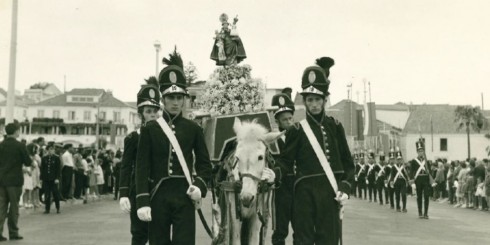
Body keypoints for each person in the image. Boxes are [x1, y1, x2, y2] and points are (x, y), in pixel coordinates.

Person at [135, 49, 212, 245]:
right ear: (163, 100)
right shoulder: (150, 129)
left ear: (184, 99)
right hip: (158, 195)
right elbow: (142, 168)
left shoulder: (194, 129)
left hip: (185, 195)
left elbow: (205, 165)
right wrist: (142, 201)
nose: (176, 102)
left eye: (180, 98)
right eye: (171, 98)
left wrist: (200, 188)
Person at [277, 57, 354, 244]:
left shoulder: (336, 127)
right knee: (303, 239)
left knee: (328, 240)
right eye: (309, 100)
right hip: (304, 194)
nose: (313, 104)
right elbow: (285, 163)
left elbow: (348, 164)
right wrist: (273, 173)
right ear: (305, 101)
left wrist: (345, 187)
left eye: (317, 99)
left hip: (330, 194)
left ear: (324, 100)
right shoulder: (297, 130)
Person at [119, 76, 160, 245]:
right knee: (139, 234)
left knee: (159, 233)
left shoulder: (163, 136)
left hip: (159, 189)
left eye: (154, 111)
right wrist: (123, 193)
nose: (151, 115)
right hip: (138, 190)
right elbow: (126, 166)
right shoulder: (133, 138)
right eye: (147, 111)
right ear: (141, 113)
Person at [270, 92, 295, 245]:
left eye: (290, 118)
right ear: (277, 121)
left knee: (301, 227)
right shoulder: (272, 141)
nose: (289, 122)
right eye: (284, 119)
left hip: (298, 187)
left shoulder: (299, 137)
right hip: (281, 189)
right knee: (280, 229)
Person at [0, 123, 32, 241]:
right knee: (14, 207)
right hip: (15, 181)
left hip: (1, 181)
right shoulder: (20, 146)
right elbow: (28, 162)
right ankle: (13, 232)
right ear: (16, 132)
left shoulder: (1, 145)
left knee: (1, 207)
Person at [409, 139, 436, 219]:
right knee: (419, 196)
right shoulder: (414, 161)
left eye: (422, 151)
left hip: (426, 179)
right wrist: (412, 182)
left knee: (426, 196)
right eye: (419, 151)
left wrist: (432, 181)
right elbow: (411, 172)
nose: (421, 152)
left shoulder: (427, 161)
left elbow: (430, 172)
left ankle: (426, 213)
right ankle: (420, 212)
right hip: (418, 180)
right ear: (417, 152)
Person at [40, 143, 61, 214]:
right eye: (49, 149)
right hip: (46, 179)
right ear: (47, 150)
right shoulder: (44, 158)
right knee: (47, 194)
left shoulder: (56, 158)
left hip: (54, 179)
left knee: (55, 193)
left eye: (52, 149)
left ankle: (58, 207)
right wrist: (41, 178)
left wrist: (57, 178)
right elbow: (42, 169)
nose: (51, 151)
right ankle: (47, 209)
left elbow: (58, 169)